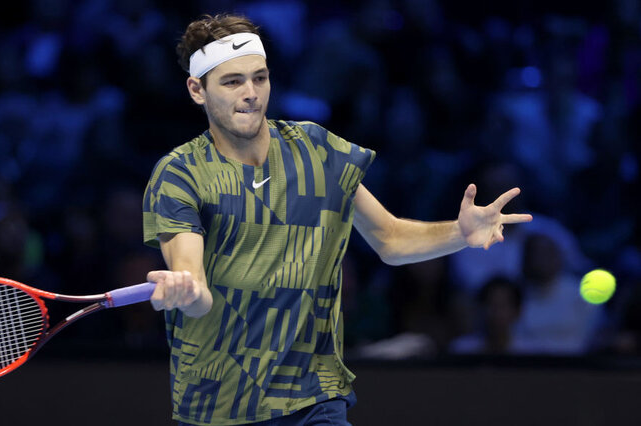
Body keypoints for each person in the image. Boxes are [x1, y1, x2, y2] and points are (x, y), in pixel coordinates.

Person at [141, 14, 532, 425]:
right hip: (217, 405)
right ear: (197, 90)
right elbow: (196, 286)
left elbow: (391, 239)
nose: (251, 93)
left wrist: (458, 232)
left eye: (260, 77)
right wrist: (184, 290)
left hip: (315, 396)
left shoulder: (316, 148)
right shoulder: (179, 173)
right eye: (232, 81)